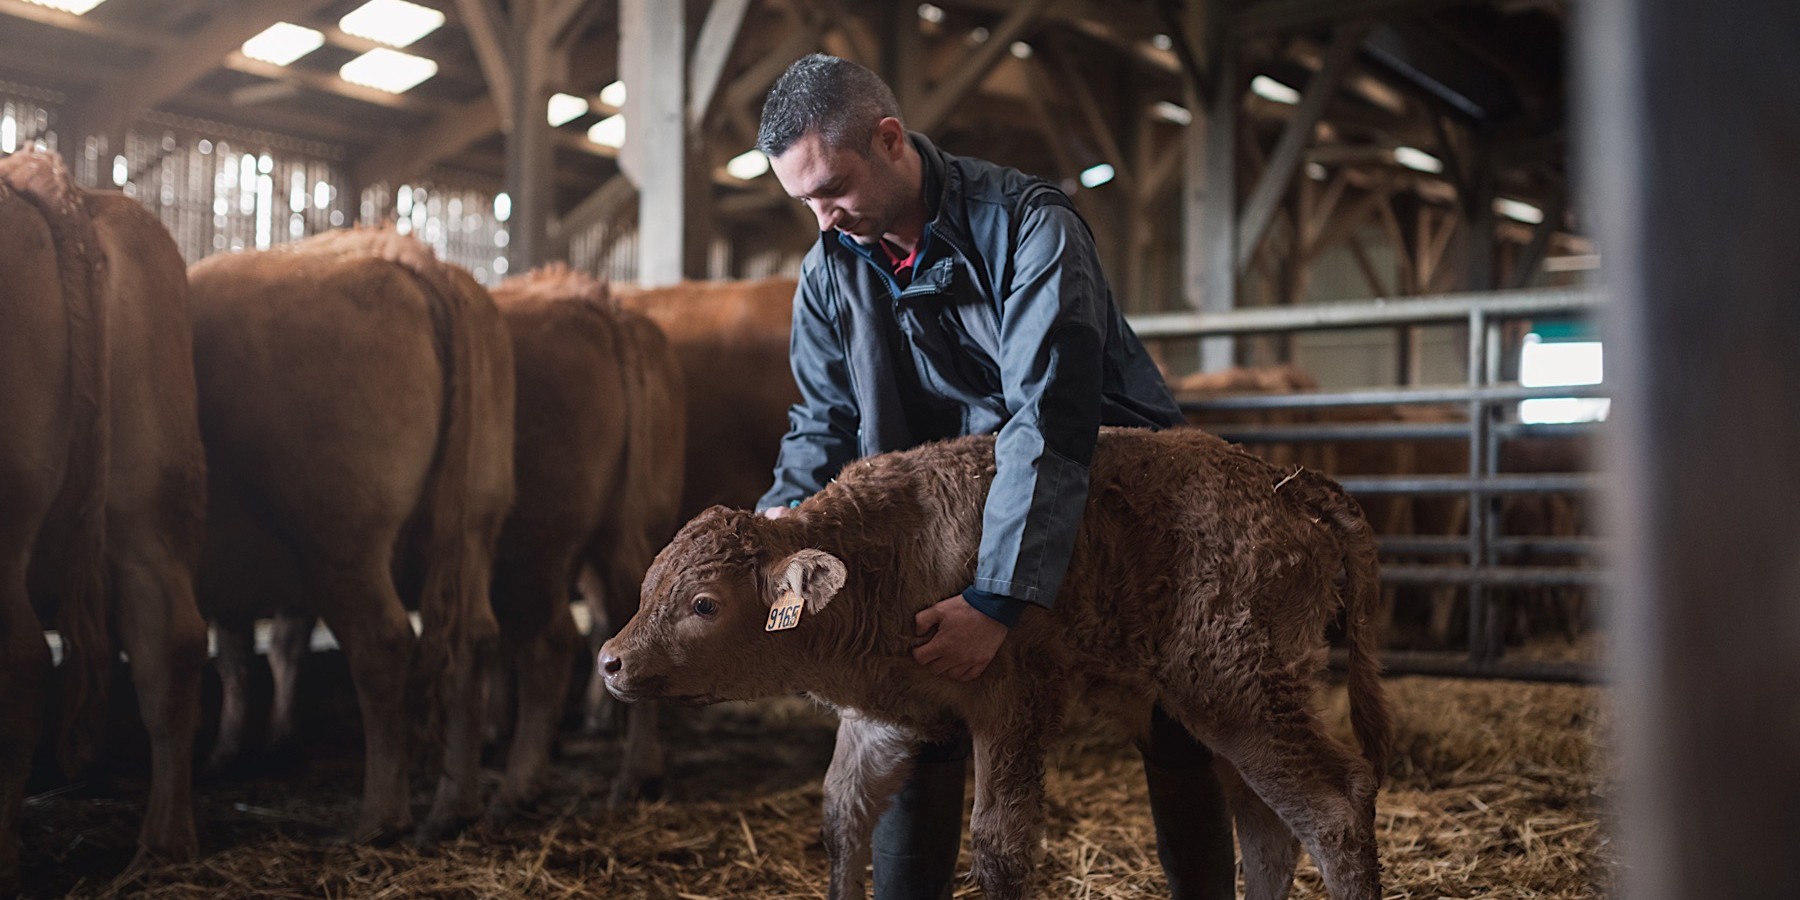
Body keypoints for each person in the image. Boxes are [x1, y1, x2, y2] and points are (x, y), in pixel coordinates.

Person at [753, 54, 1236, 900]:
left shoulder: (1032, 226)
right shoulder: (831, 264)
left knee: (1177, 709)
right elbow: (822, 418)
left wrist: (998, 598)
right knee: (919, 702)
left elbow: (1048, 422)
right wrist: (782, 523)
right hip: (951, 514)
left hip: (1118, 494)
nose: (823, 220)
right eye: (805, 203)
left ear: (890, 139)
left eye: (833, 188)